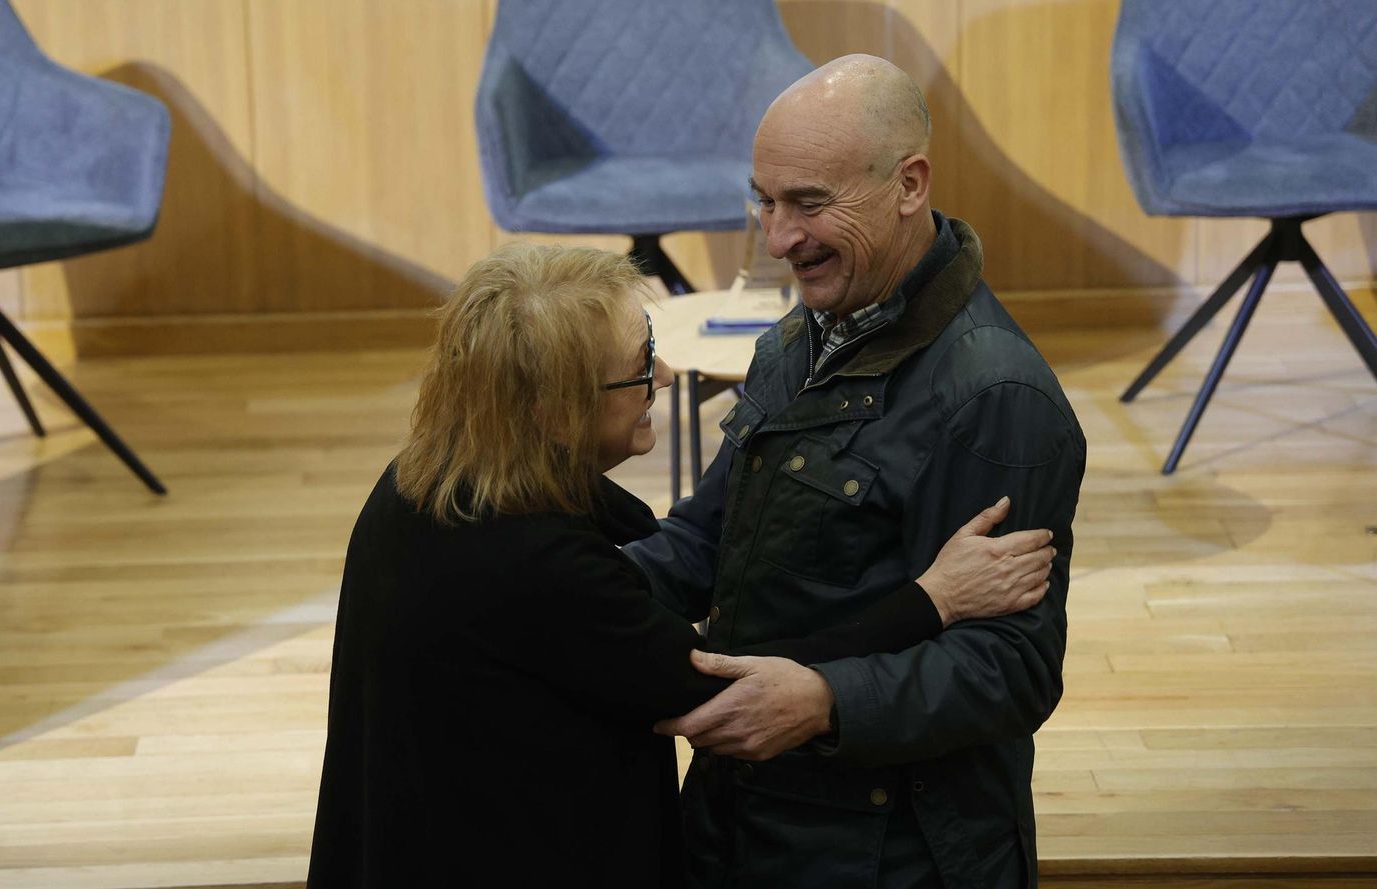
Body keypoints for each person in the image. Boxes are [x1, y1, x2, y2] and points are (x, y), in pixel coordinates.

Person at [306, 243, 1057, 888]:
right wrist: (932, 600)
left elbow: (663, 543)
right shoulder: (536, 565)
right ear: (552, 410)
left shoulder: (424, 478)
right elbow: (723, 680)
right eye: (637, 367)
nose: (663, 376)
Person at [625, 55, 1088, 888]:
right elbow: (710, 537)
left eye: (809, 203)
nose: (777, 239)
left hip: (893, 853)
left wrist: (826, 700)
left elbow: (1011, 667)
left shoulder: (995, 397)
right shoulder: (800, 335)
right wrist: (562, 588)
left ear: (909, 184)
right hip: (747, 816)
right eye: (764, 200)